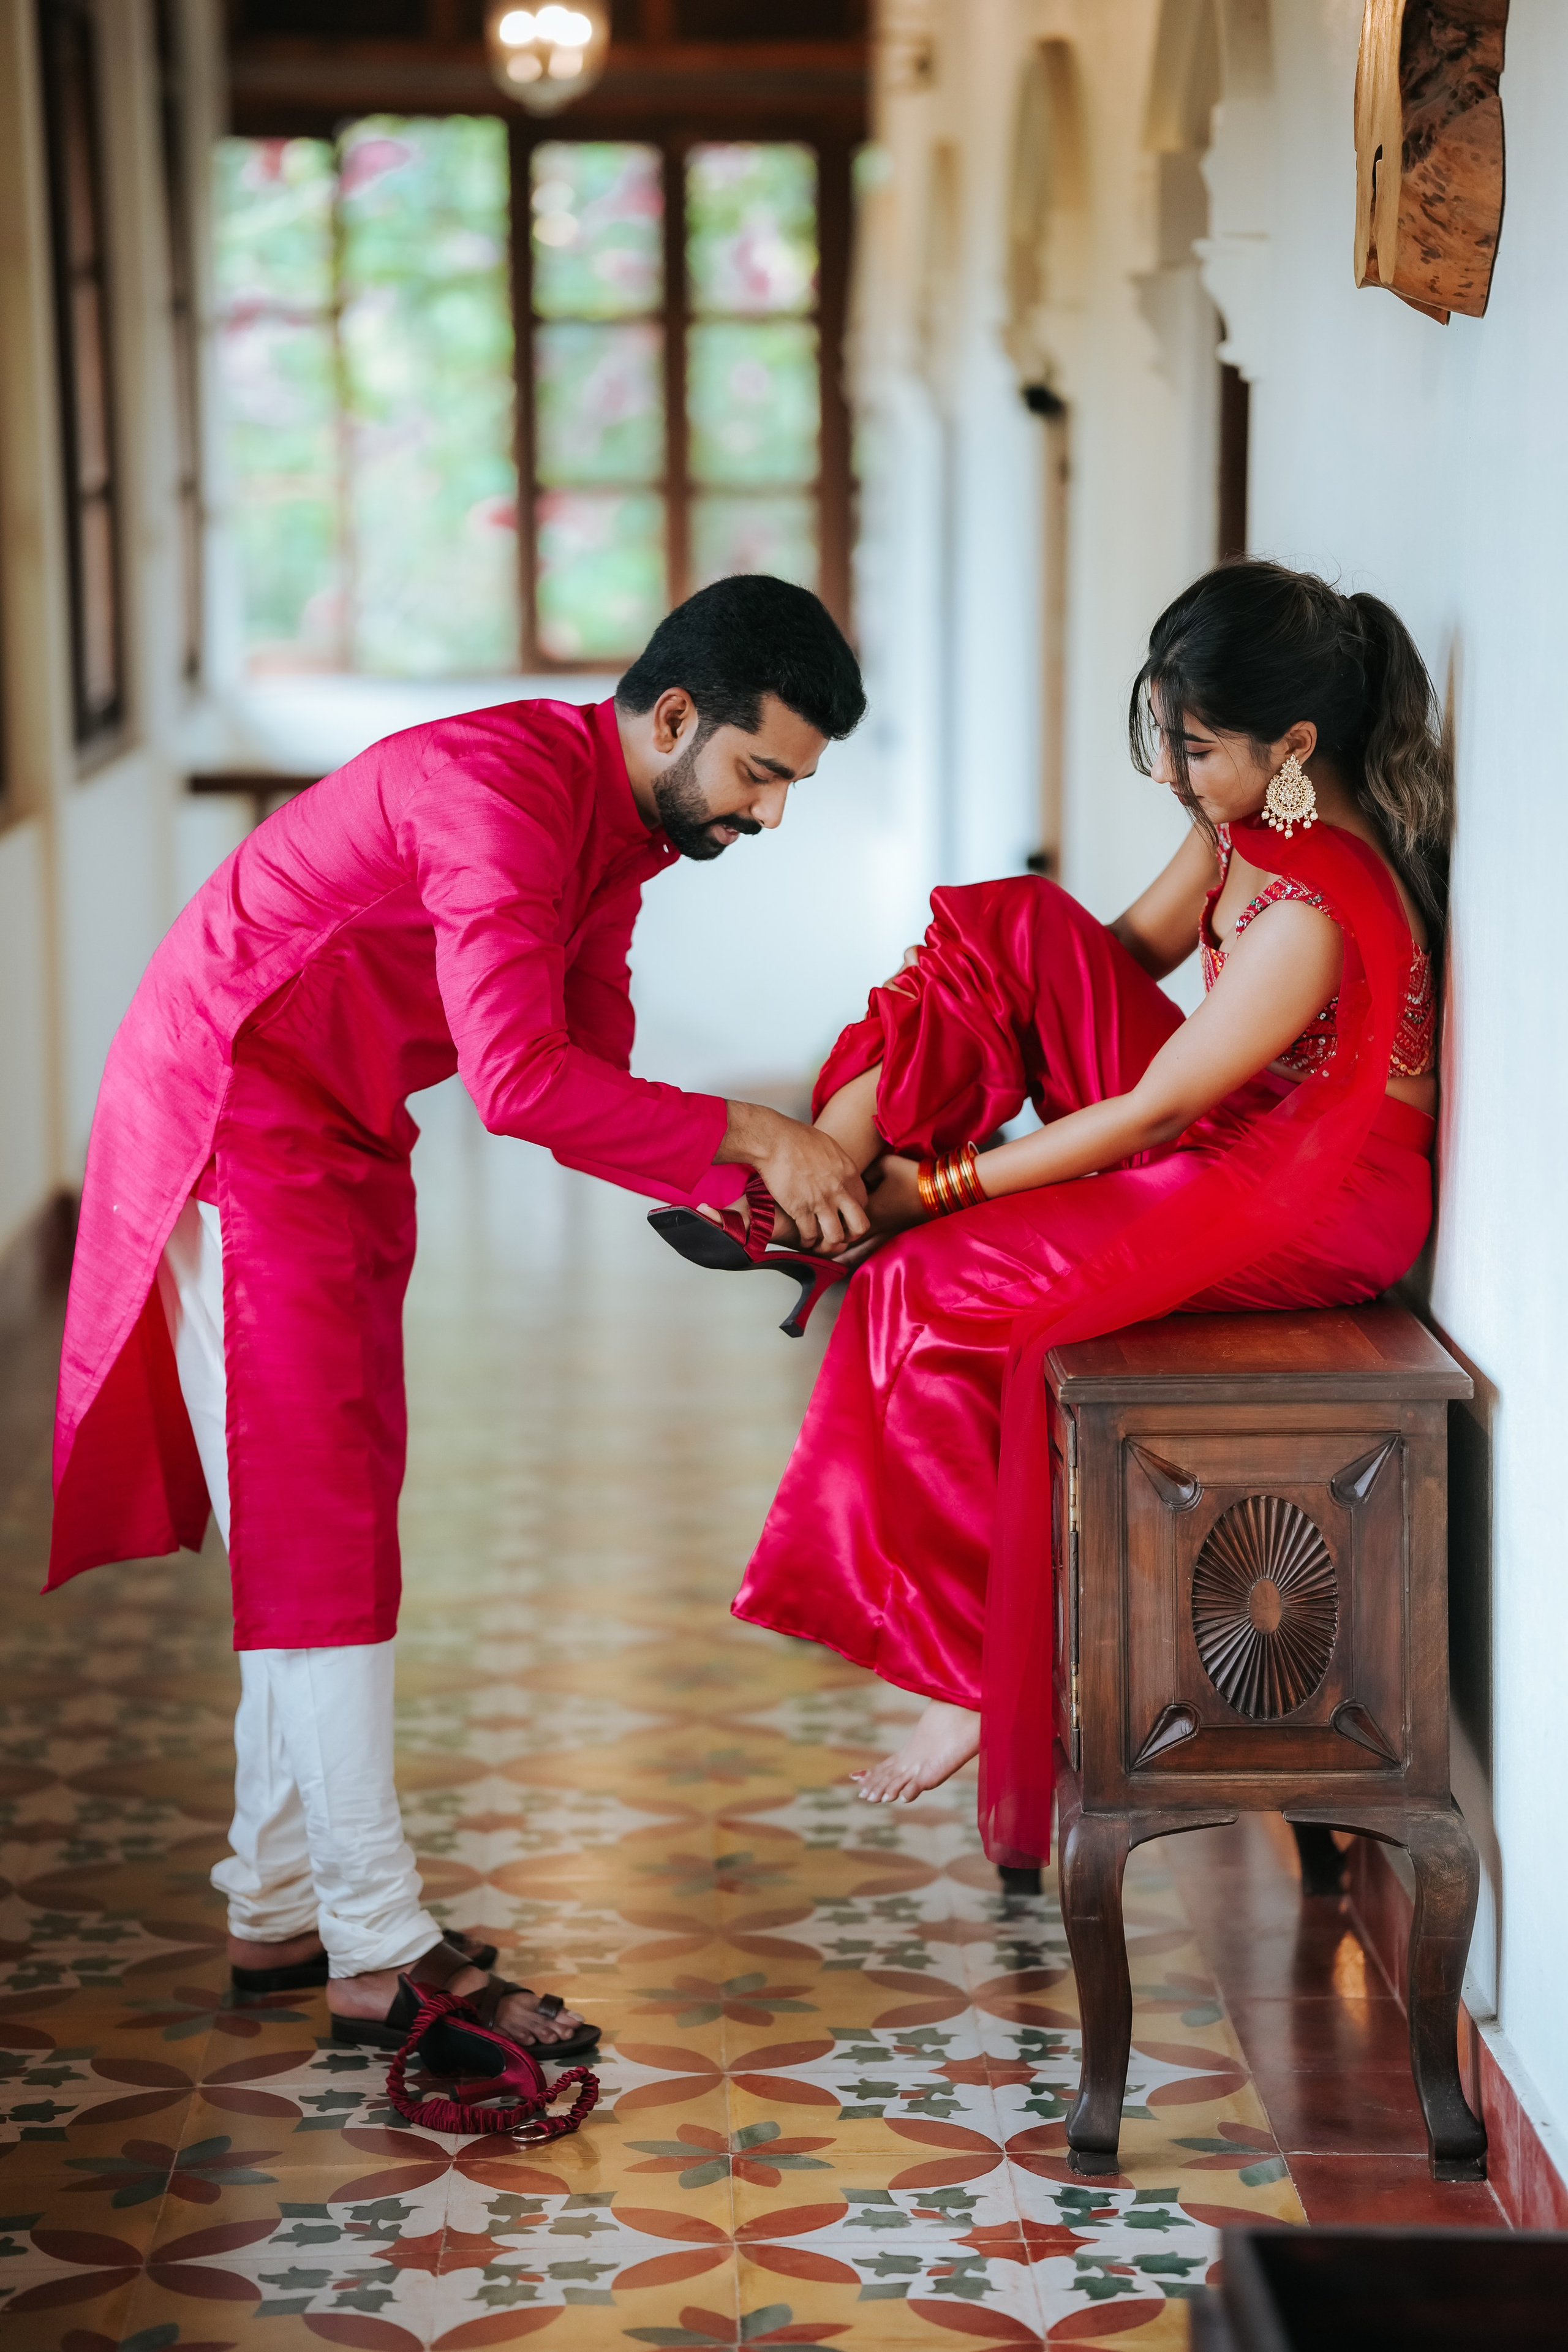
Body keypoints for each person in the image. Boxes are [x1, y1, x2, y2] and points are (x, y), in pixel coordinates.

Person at [48, 575, 868, 2052]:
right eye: (761, 773)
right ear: (673, 719)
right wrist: (759, 1133)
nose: (769, 813)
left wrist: (739, 1191)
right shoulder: (499, 796)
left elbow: (580, 1069)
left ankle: (275, 1902)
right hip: (237, 1116)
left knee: (334, 1515)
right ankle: (376, 1943)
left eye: (790, 785)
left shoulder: (623, 831)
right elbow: (513, 1083)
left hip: (341, 1130)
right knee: (318, 1529)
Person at [659, 562, 1449, 1868]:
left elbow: (1149, 1112)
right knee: (1009, 926)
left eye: (1195, 748)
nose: (1174, 773)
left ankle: (975, 1671)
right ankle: (826, 1172)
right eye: (1170, 740)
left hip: (1309, 1195)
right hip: (1231, 1127)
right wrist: (985, 1001)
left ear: (1294, 745)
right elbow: (1112, 959)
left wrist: (941, 1188)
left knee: (924, 1284)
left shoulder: (1314, 908)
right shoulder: (1240, 823)